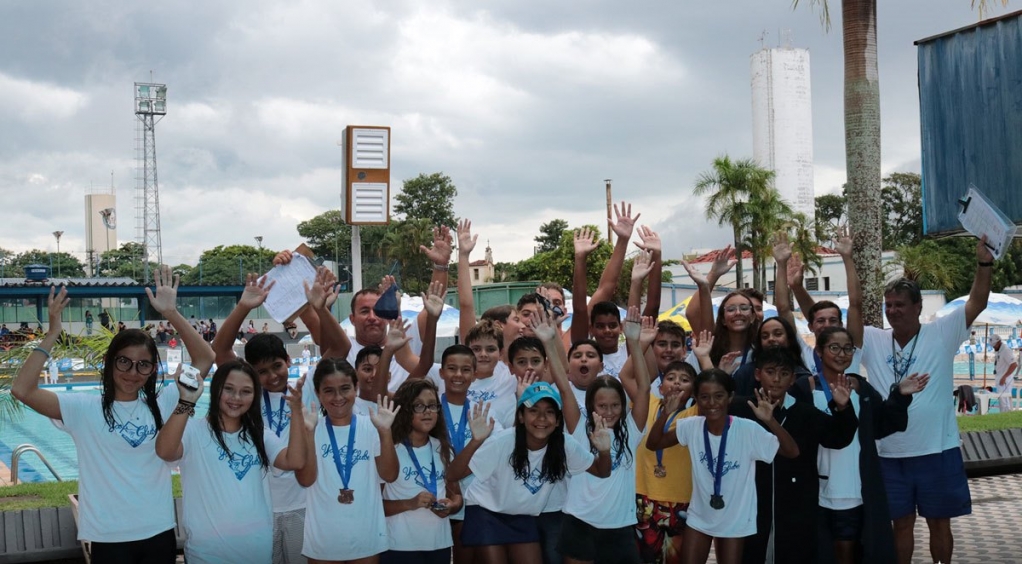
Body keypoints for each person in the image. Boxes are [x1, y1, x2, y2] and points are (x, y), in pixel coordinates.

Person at [11, 266, 215, 563]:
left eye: (143, 365)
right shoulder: (83, 408)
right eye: (124, 362)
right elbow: (22, 389)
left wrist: (171, 313)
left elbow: (205, 357)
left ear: (152, 370)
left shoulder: (166, 400)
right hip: (109, 536)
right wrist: (52, 334)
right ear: (110, 362)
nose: (133, 373)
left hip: (158, 530)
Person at [858, 237, 992, 564]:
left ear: (918, 307)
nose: (893, 311)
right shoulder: (874, 340)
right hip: (890, 453)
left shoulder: (941, 332)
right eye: (888, 305)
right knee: (900, 524)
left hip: (938, 449)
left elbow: (977, 301)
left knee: (939, 523)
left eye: (900, 304)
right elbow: (833, 318)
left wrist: (984, 264)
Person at [212, 269, 347, 564]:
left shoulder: (307, 387)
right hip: (260, 507)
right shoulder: (245, 395)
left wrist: (320, 309)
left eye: (277, 366)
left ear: (288, 360)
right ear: (250, 371)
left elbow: (340, 348)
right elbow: (219, 350)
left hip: (303, 503)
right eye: (261, 371)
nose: (272, 376)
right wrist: (245, 306)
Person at [154, 361, 313, 563]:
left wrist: (297, 413)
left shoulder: (259, 434)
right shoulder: (193, 431)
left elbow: (295, 460)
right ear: (216, 388)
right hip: (207, 552)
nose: (236, 398)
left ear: (254, 396)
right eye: (228, 389)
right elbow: (165, 450)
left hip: (256, 549)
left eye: (246, 391)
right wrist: (186, 400)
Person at [796, 326, 928, 564]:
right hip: (814, 487)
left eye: (847, 348)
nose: (841, 354)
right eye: (834, 347)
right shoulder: (806, 389)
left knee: (852, 550)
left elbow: (884, 425)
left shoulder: (861, 389)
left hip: (854, 487)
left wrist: (901, 395)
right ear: (819, 351)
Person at [645, 369, 798, 564]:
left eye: (718, 396)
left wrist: (770, 421)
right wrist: (666, 413)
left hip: (734, 518)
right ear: (696, 398)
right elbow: (654, 444)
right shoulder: (691, 426)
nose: (712, 403)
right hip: (700, 516)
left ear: (730, 397)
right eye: (704, 397)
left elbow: (792, 451)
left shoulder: (747, 429)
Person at [448, 382, 612, 564]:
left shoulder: (565, 444)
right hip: (486, 511)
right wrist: (475, 441)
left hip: (522, 516)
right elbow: (453, 475)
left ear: (558, 420)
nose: (541, 418)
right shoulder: (502, 441)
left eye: (549, 412)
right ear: (521, 416)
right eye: (533, 410)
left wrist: (604, 451)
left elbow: (601, 471)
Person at [730, 347, 858, 564]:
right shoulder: (741, 408)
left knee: (795, 554)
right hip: (750, 503)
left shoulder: (805, 413)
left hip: (797, 506)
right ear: (758, 374)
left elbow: (839, 438)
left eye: (784, 374)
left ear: (792, 379)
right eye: (770, 372)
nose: (776, 380)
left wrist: (843, 407)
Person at [556, 307, 652, 564]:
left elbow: (643, 389)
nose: (609, 412)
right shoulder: (579, 429)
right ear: (590, 407)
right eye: (602, 406)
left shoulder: (631, 431)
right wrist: (547, 340)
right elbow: (564, 389)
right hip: (579, 523)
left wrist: (634, 341)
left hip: (620, 527)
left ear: (623, 406)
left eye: (615, 405)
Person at [298, 359, 401, 563]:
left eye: (345, 388)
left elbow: (390, 475)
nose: (338, 397)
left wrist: (385, 432)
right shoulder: (310, 428)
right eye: (328, 391)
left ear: (356, 388)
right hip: (323, 536)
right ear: (318, 393)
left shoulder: (373, 426)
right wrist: (308, 435)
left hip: (366, 535)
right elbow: (305, 480)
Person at [382, 379, 463, 564]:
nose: (427, 412)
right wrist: (410, 503)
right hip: (398, 546)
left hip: (439, 544)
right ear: (404, 410)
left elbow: (457, 495)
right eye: (419, 406)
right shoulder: (389, 449)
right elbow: (374, 506)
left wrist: (452, 506)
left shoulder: (443, 449)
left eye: (432, 406)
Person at [992, 334, 1017, 412]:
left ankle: (1007, 417)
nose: (993, 347)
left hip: (1005, 380)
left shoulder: (1006, 350)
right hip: (1000, 379)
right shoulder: (998, 350)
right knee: (1002, 401)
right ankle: (1004, 416)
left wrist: (1004, 377)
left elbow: (1014, 364)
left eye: (994, 345)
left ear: (999, 342)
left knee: (1005, 402)